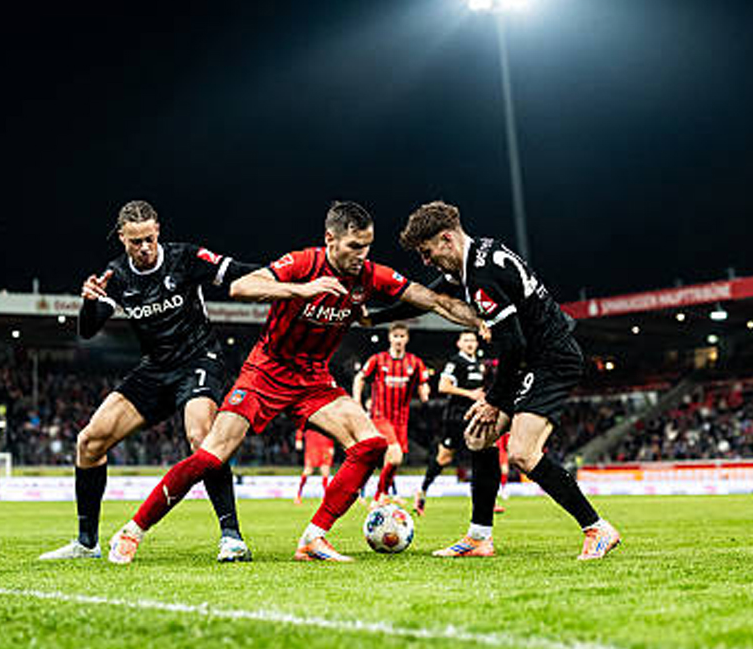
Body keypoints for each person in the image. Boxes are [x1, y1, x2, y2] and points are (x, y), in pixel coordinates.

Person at [107, 201, 487, 564]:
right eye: (354, 246)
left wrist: (483, 321)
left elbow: (435, 300)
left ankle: (314, 538)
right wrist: (302, 289)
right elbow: (241, 288)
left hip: (314, 380)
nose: (362, 255)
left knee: (372, 445)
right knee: (210, 456)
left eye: (367, 247)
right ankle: (132, 530)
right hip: (266, 372)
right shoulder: (304, 263)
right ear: (330, 239)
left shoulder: (369, 276)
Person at [398, 200, 620, 560]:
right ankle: (479, 537)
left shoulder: (481, 275)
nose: (426, 261)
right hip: (535, 358)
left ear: (446, 240)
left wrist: (493, 400)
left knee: (521, 453)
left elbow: (513, 344)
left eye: (427, 252)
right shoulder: (477, 255)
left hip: (553, 359)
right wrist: (370, 315)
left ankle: (597, 528)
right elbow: (428, 296)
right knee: (477, 437)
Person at [39, 200, 259, 562]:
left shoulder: (185, 258)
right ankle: (86, 542)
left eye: (149, 239)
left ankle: (231, 537)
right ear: (121, 238)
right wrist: (89, 302)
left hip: (198, 359)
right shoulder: (117, 275)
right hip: (155, 368)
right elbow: (89, 330)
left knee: (201, 436)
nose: (143, 248)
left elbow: (237, 271)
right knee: (89, 441)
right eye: (134, 242)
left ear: (158, 231)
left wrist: (288, 276)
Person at [351, 322, 430, 502]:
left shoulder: (414, 362)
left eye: (402, 336)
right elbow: (359, 378)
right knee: (394, 455)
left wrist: (424, 390)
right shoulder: (378, 359)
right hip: (380, 415)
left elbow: (423, 381)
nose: (399, 340)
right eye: (396, 336)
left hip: (401, 419)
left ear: (407, 339)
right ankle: (379, 495)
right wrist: (357, 401)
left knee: (394, 460)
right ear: (390, 338)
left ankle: (384, 493)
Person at [415, 330, 486, 515]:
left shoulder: (478, 364)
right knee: (444, 457)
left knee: (481, 453)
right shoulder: (456, 362)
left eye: (473, 340)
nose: (470, 343)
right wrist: (470, 394)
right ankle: (422, 491)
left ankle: (485, 501)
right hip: (456, 416)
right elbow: (442, 386)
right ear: (459, 344)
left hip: (474, 416)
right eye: (466, 340)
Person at [293, 427, 333, 505]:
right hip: (312, 445)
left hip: (325, 445)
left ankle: (326, 498)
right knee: (308, 470)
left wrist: (331, 445)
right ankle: (298, 495)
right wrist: (298, 438)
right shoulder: (309, 417)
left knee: (325, 471)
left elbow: (330, 430)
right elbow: (301, 425)